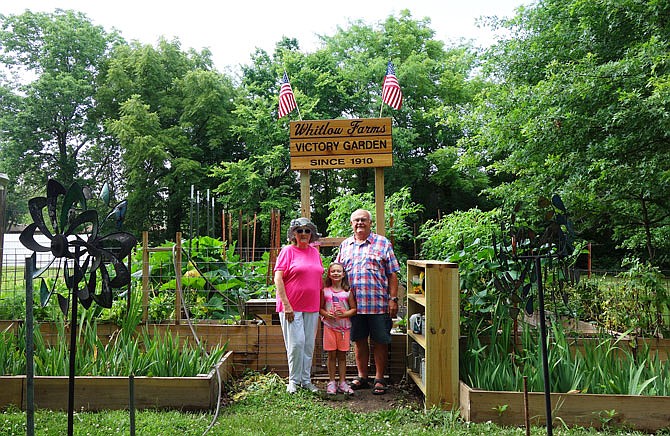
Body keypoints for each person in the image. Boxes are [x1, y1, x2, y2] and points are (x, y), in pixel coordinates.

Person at [336, 209, 400, 395]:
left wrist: (393, 299)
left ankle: (379, 378)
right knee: (359, 341)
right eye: (356, 220)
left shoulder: (382, 243)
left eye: (363, 220)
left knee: (380, 341)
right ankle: (362, 377)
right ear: (351, 224)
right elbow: (338, 272)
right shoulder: (345, 245)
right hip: (354, 306)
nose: (359, 223)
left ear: (370, 223)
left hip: (378, 303)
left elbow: (393, 274)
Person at [274, 217, 324, 394]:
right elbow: (278, 278)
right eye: (299, 230)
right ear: (293, 234)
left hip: (312, 306)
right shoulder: (287, 251)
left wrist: (323, 305)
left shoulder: (315, 253)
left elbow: (319, 280)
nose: (303, 234)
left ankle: (305, 380)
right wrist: (287, 305)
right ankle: (293, 381)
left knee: (309, 344)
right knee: (296, 344)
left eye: (307, 231)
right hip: (291, 306)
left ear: (311, 234)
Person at [319, 262, 357, 395]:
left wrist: (345, 314)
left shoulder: (348, 292)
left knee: (342, 356)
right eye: (333, 271)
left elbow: (353, 309)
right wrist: (326, 314)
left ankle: (342, 382)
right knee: (331, 355)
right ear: (329, 274)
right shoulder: (325, 291)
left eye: (338, 271)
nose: (336, 273)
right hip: (330, 327)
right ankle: (331, 382)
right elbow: (320, 308)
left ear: (343, 274)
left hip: (344, 329)